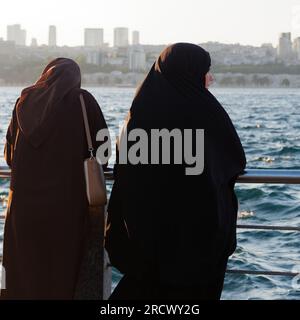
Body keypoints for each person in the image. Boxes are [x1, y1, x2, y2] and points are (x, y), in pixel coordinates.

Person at [105, 43, 246, 300]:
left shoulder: (140, 111)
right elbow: (234, 159)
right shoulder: (204, 111)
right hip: (197, 246)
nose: (210, 78)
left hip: (147, 242)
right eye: (206, 71)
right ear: (190, 72)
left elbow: (127, 172)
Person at [1, 58, 109, 299]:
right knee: (62, 275)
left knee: (25, 274)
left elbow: (9, 156)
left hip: (23, 209)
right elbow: (103, 153)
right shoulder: (83, 101)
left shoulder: (23, 101)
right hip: (67, 209)